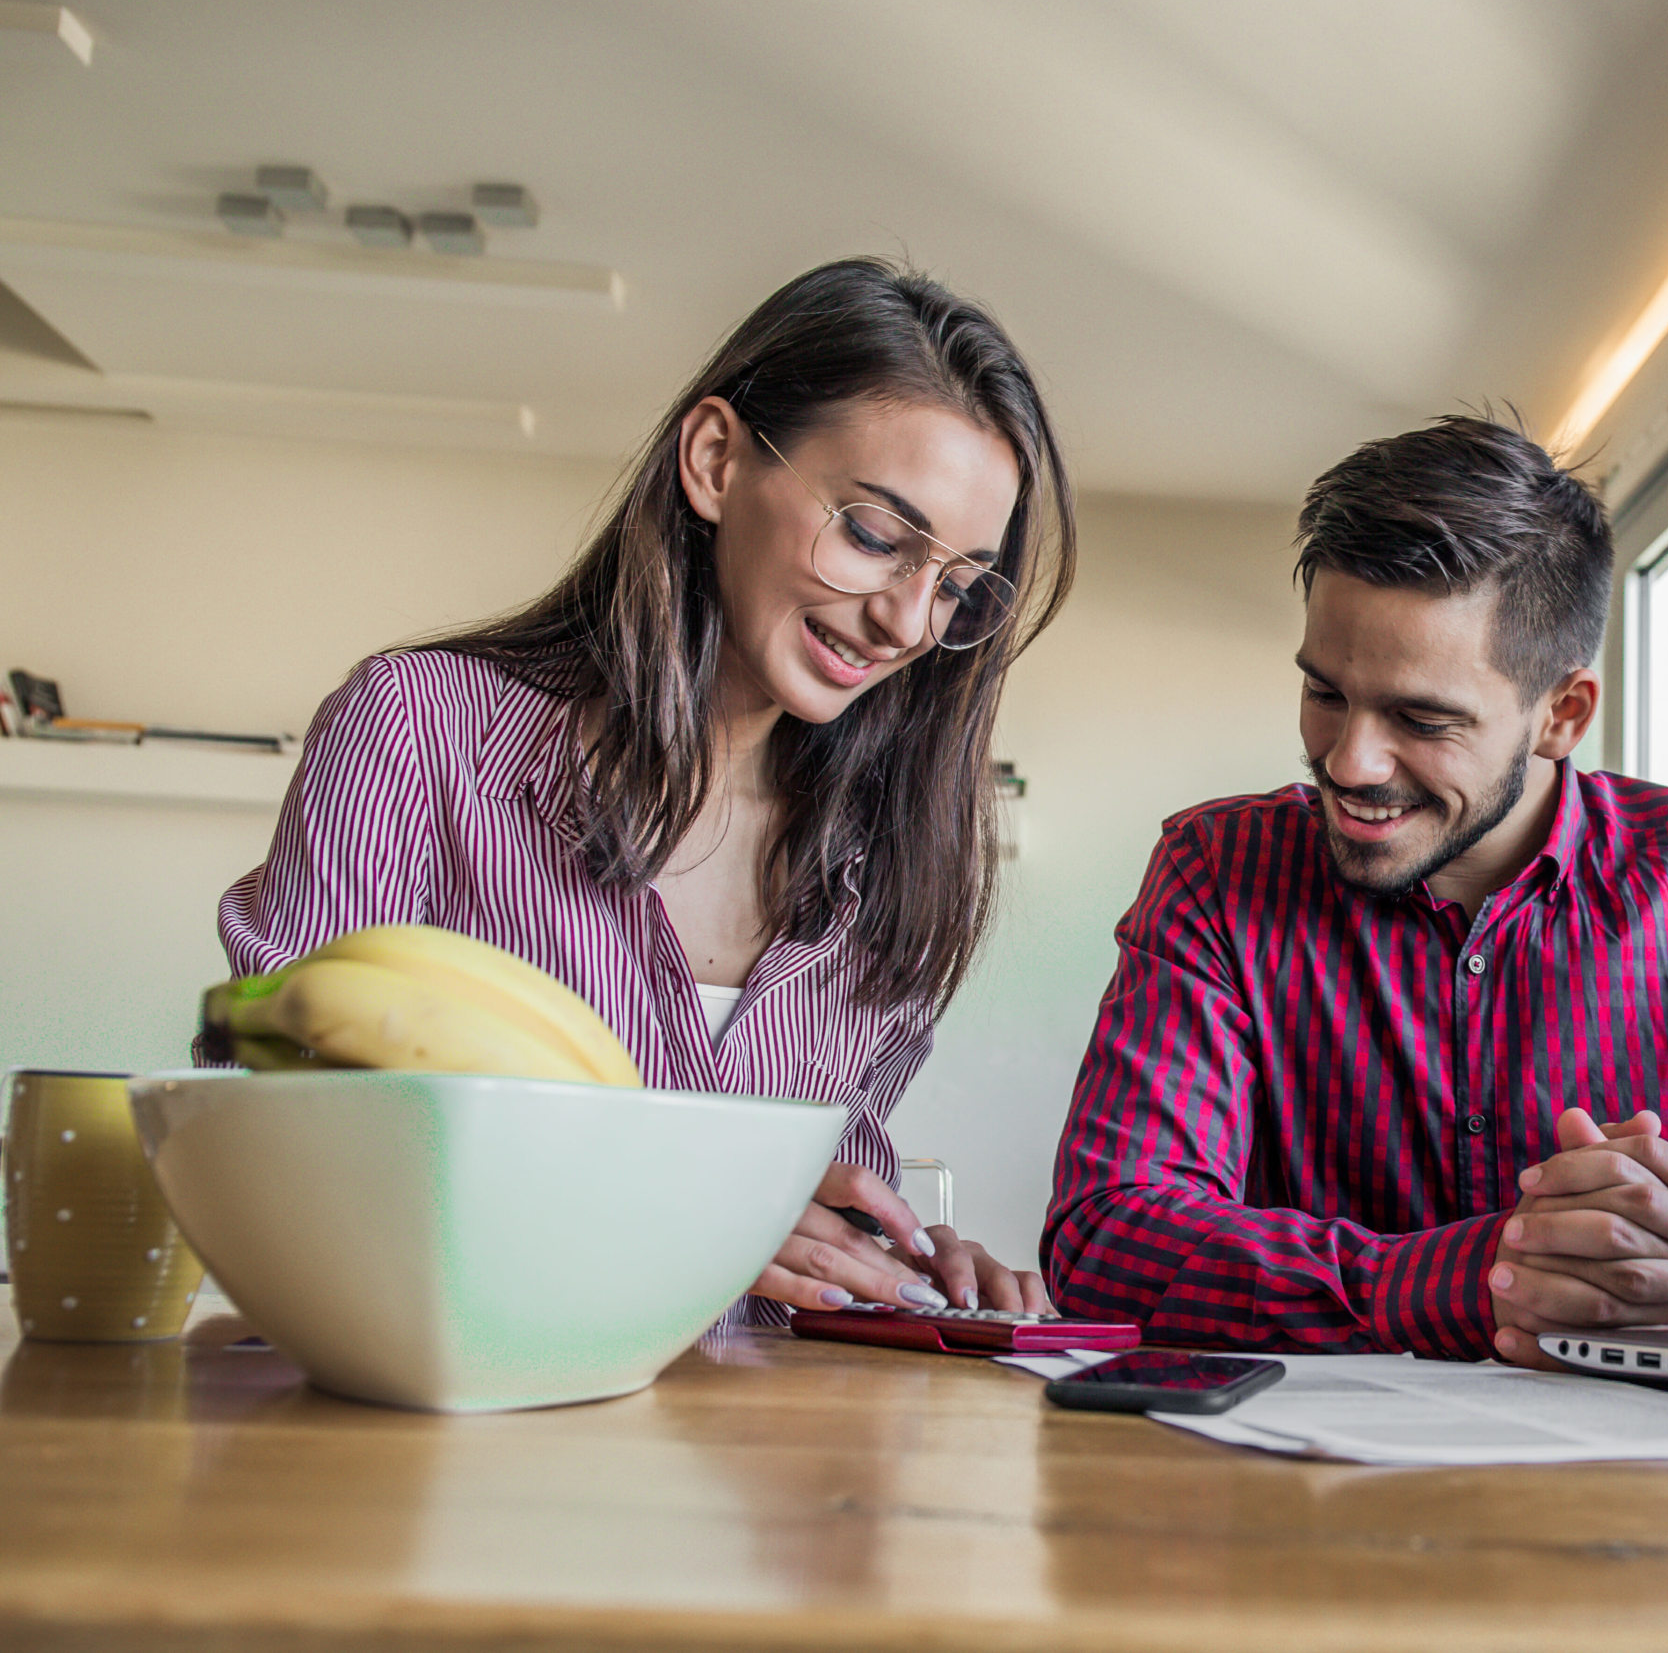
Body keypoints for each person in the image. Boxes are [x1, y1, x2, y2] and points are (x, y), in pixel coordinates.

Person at [1043, 414, 1668, 1364]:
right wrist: (1456, 1277)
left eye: (1421, 720)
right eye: (1324, 692)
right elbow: (1105, 1239)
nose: (1348, 762)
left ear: (1560, 713)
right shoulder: (1218, 872)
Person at [217, 259, 1074, 1325]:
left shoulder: (889, 860)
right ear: (715, 461)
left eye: (954, 585)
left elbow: (798, 1232)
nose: (907, 623)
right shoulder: (417, 735)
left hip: (759, 1466)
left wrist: (905, 1267)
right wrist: (685, 1204)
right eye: (872, 536)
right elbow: (274, 1140)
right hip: (455, 1446)